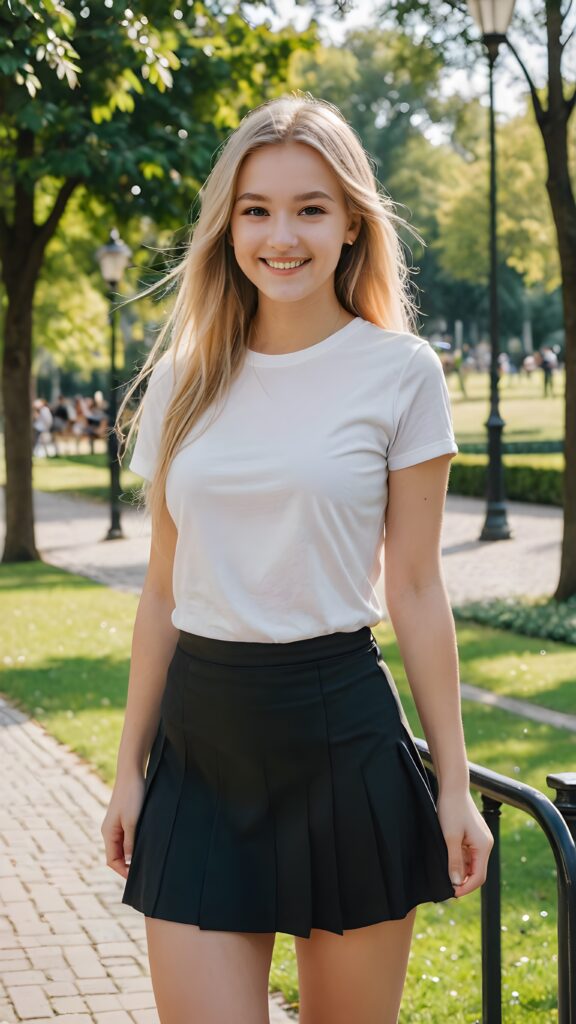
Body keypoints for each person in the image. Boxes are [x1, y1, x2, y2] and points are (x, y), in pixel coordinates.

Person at [101, 93, 493, 1024]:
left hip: (342, 741)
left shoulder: (402, 372)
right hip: (200, 750)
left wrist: (454, 785)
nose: (282, 236)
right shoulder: (182, 381)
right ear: (228, 224)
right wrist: (128, 768)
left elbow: (416, 588)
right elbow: (162, 591)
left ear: (352, 222)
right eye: (257, 210)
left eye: (310, 208)